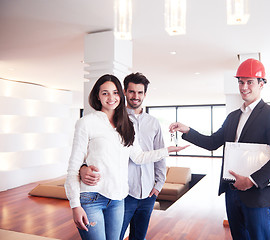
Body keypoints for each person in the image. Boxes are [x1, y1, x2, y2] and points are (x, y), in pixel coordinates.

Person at [169, 59, 270, 240]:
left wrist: (251, 180)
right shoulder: (233, 116)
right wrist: (187, 130)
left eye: (249, 82)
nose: (244, 87)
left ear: (261, 84)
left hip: (257, 195)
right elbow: (212, 142)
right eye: (241, 82)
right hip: (232, 192)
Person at [65, 74, 187, 240]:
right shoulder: (86, 122)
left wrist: (168, 150)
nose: (111, 97)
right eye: (105, 93)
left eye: (115, 93)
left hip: (118, 199)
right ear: (97, 96)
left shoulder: (126, 125)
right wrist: (75, 205)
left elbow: (138, 157)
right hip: (92, 198)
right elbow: (74, 166)